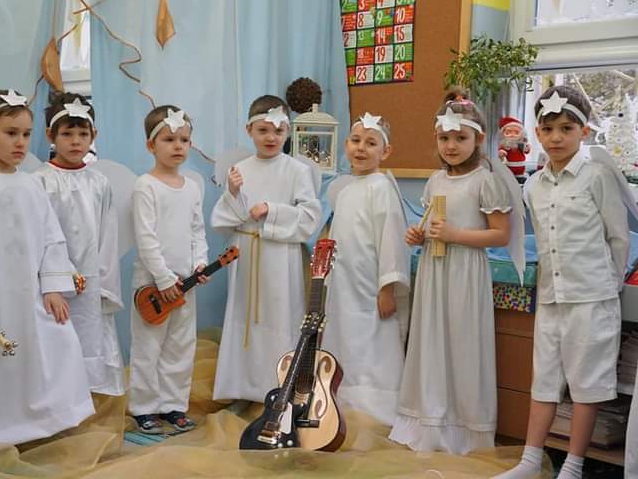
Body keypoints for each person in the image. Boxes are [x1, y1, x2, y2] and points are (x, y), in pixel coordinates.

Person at [0, 89, 93, 443]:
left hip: (32, 293)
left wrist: (53, 285)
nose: (21, 142)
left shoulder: (31, 184)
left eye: (26, 134)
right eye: (11, 133)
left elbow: (52, 238)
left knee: (52, 346)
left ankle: (41, 421)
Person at [495, 85, 629, 479]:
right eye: (549, 129)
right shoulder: (534, 185)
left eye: (566, 129)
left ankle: (573, 466)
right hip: (551, 298)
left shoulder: (597, 176)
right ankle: (530, 460)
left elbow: (618, 237)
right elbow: (542, 238)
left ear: (583, 132)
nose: (556, 137)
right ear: (537, 133)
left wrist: (606, 284)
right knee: (544, 381)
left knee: (587, 385)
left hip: (591, 298)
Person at [389, 88, 515, 455]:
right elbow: (432, 223)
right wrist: (419, 235)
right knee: (431, 339)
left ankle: (464, 428)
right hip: (435, 270)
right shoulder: (435, 181)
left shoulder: (485, 181)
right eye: (444, 138)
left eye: (460, 138)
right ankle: (427, 419)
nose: (451, 146)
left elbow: (501, 235)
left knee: (461, 342)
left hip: (464, 273)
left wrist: (455, 235)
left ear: (478, 138)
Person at [211, 95, 322, 404]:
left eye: (278, 131)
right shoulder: (239, 169)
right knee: (246, 319)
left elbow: (310, 218)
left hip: (280, 258)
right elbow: (222, 220)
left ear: (288, 131)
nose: (271, 138)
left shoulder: (297, 171)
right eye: (263, 130)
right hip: (247, 254)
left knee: (278, 318)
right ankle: (242, 388)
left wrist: (272, 211)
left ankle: (277, 388)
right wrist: (233, 193)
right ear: (249, 130)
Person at [34, 92, 126, 397]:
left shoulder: (99, 183)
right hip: (52, 285)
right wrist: (57, 275)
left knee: (91, 341)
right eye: (67, 134)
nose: (76, 141)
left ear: (93, 135)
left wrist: (104, 284)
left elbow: (108, 237)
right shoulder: (39, 182)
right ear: (51, 135)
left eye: (83, 134)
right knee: (55, 345)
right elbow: (39, 236)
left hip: (91, 284)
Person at [321, 112, 410, 425]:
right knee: (345, 337)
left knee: (373, 341)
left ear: (385, 152)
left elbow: (391, 241)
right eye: (356, 141)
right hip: (345, 286)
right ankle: (340, 400)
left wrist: (387, 288)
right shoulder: (345, 190)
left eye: (371, 143)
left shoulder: (381, 188)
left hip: (371, 286)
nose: (361, 148)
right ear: (346, 144)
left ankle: (375, 407)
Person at [128, 105, 208, 434]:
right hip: (153, 284)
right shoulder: (145, 186)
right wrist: (162, 279)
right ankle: (144, 407)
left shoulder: (192, 187)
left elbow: (197, 230)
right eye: (169, 139)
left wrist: (200, 262)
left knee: (181, 345)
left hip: (185, 284)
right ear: (151, 145)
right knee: (149, 347)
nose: (178, 146)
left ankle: (174, 405)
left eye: (184, 140)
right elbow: (145, 237)